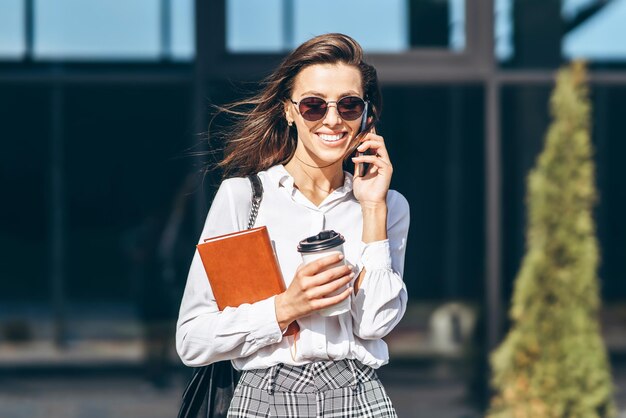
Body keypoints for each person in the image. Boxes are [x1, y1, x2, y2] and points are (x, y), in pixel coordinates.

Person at [176, 33, 410, 417]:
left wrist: (372, 210)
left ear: (366, 114)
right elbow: (191, 340)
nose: (333, 119)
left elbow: (375, 324)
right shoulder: (245, 198)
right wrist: (285, 307)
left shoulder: (388, 205)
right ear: (289, 111)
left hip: (357, 395)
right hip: (263, 395)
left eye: (349, 105)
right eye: (314, 106)